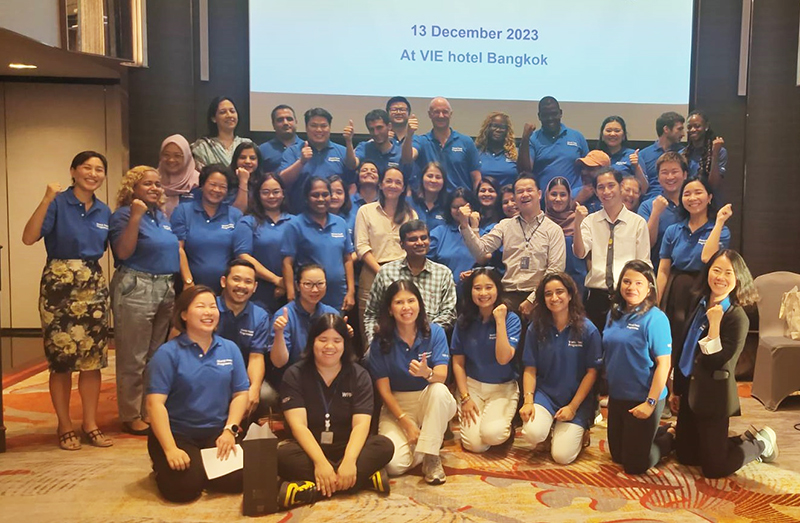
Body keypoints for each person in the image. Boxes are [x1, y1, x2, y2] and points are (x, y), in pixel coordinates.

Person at [22, 151, 113, 450]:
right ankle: (64, 424)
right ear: (73, 171)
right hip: (59, 283)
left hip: (93, 284)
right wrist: (47, 198)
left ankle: (90, 423)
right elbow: (29, 237)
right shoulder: (58, 202)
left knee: (92, 360)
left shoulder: (104, 211)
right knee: (60, 362)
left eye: (99, 169)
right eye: (87, 167)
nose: (93, 173)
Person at [672, 250, 777, 477]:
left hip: (713, 396)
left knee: (714, 468)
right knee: (686, 456)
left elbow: (716, 362)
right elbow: (684, 348)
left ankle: (760, 444)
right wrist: (677, 390)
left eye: (728, 272)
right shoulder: (697, 302)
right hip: (690, 389)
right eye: (716, 270)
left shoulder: (737, 317)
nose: (720, 277)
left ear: (738, 278)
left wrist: (715, 326)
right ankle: (737, 440)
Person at [277, 313, 394, 508]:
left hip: (347, 446)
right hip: (310, 449)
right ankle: (361, 480)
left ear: (345, 344)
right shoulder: (294, 374)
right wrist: (320, 463)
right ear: (312, 341)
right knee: (280, 456)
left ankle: (310, 490)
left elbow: (361, 425)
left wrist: (349, 461)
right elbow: (298, 426)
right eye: (322, 339)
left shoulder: (359, 375)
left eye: (336, 340)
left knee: (384, 446)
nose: (329, 346)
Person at [145, 285, 248, 503]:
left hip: (217, 432)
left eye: (213, 306)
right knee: (183, 491)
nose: (208, 312)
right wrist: (171, 449)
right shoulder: (167, 354)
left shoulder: (229, 349)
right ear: (184, 314)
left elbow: (241, 394)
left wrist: (230, 430)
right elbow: (155, 405)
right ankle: (165, 463)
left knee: (239, 480)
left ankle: (201, 467)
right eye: (200, 306)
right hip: (178, 434)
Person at [109, 165, 180, 436]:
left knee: (154, 356)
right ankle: (130, 414)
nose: (154, 188)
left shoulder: (161, 215)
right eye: (147, 184)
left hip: (164, 287)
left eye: (157, 184)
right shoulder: (124, 215)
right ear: (133, 189)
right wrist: (135, 217)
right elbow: (124, 252)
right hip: (137, 286)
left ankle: (147, 408)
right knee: (133, 357)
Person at [367, 280, 457, 484]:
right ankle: (430, 441)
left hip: (429, 400)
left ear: (419, 304)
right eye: (399, 302)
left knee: (439, 390)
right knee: (394, 466)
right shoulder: (380, 341)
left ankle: (431, 456)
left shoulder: (434, 332)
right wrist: (405, 423)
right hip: (397, 405)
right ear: (390, 309)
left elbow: (441, 376)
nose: (406, 307)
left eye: (411, 301)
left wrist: (427, 373)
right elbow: (384, 391)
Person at [458, 174, 566, 319]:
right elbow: (481, 251)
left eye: (529, 190)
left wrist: (531, 300)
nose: (525, 195)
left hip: (539, 299)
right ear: (515, 198)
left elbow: (555, 270)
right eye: (520, 192)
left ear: (539, 194)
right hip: (507, 297)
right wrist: (465, 226)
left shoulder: (553, 230)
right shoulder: (505, 226)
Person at [520, 272, 601, 464]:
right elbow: (529, 368)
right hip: (546, 395)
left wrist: (572, 407)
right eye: (548, 294)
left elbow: (592, 372)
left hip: (576, 400)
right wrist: (528, 401)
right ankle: (548, 432)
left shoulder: (588, 330)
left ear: (570, 294)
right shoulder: (536, 328)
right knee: (532, 433)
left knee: (562, 457)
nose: (554, 298)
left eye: (559, 292)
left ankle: (581, 433)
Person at [602, 260, 672, 474]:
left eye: (639, 283)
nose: (631, 287)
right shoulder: (614, 314)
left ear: (650, 287)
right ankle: (656, 432)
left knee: (635, 464)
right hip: (618, 397)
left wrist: (650, 403)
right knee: (618, 457)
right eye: (627, 281)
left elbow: (664, 364)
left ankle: (671, 438)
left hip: (645, 397)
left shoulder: (656, 318)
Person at [451, 268, 521, 453]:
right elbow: (458, 363)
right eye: (477, 288)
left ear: (497, 289)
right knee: (475, 445)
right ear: (470, 291)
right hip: (472, 387)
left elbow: (503, 358)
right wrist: (465, 397)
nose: (483, 293)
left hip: (502, 388)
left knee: (493, 435)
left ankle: (507, 426)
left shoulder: (511, 319)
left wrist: (499, 320)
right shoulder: (464, 320)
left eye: (489, 287)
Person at [573, 168, 650, 331]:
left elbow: (643, 264)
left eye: (611, 185)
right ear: (595, 191)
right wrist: (577, 224)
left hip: (627, 295)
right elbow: (579, 252)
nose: (606, 191)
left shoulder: (637, 223)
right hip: (596, 295)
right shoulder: (590, 221)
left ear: (621, 186)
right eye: (601, 187)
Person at [657, 178, 730, 347]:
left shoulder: (721, 230)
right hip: (677, 289)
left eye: (698, 192)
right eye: (687, 194)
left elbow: (707, 258)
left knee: (698, 336)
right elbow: (663, 270)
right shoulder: (673, 230)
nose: (692, 198)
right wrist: (657, 301)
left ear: (709, 197)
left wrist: (719, 222)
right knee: (674, 334)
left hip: (705, 288)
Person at [363, 220, 457, 346]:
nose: (419, 243)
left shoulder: (443, 273)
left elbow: (449, 314)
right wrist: (374, 342)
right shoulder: (386, 272)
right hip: (391, 343)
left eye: (424, 238)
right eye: (413, 239)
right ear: (402, 244)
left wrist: (423, 334)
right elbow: (371, 314)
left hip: (430, 341)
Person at [355, 167, 416, 344]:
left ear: (404, 188)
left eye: (398, 182)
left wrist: (395, 274)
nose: (393, 185)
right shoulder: (365, 211)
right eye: (388, 181)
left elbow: (414, 247)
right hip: (371, 272)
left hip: (403, 274)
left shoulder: (410, 214)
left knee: (401, 327)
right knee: (369, 330)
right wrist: (383, 272)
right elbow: (361, 247)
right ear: (380, 184)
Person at [282, 177, 355, 313]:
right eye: (315, 195)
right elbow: (287, 263)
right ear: (306, 198)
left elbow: (348, 259)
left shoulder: (340, 223)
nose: (321, 199)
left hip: (338, 296)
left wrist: (350, 292)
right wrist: (291, 294)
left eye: (325, 194)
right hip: (308, 297)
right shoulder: (295, 225)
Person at [267, 264, 339, 400]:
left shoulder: (332, 314)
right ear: (298, 285)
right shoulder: (283, 315)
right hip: (293, 379)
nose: (315, 289)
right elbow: (278, 363)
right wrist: (279, 334)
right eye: (308, 284)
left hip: (326, 377)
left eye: (320, 284)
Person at [172, 164, 243, 294]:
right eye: (212, 184)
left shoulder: (235, 215)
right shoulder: (183, 210)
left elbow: (240, 254)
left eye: (223, 187)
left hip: (226, 291)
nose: (217, 190)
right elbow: (178, 248)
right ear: (202, 185)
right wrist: (188, 282)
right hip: (190, 288)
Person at [216, 260, 271, 416]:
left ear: (254, 287)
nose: (242, 286)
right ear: (223, 282)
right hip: (209, 372)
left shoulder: (260, 316)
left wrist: (254, 388)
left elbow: (256, 357)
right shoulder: (209, 308)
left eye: (248, 282)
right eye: (236, 279)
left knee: (266, 395)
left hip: (241, 376)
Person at [233, 171, 292, 313]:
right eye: (265, 192)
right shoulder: (247, 222)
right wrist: (276, 280)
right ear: (258, 195)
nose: (271, 196)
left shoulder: (295, 222)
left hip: (291, 294)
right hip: (256, 294)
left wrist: (287, 285)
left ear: (283, 194)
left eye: (276, 192)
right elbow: (243, 256)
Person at [279, 107, 355, 213]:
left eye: (323, 126)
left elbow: (352, 183)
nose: (319, 130)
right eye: (314, 126)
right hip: (300, 218)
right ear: (306, 127)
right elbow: (282, 182)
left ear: (329, 127)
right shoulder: (293, 151)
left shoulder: (342, 151)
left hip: (334, 218)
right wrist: (301, 162)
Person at [518, 96, 589, 194]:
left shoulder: (577, 136)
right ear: (539, 116)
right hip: (545, 202)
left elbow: (589, 170)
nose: (550, 118)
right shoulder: (533, 139)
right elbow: (525, 171)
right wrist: (525, 138)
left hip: (575, 200)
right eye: (545, 115)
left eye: (554, 114)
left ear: (560, 113)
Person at [414, 97, 481, 191]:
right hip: (432, 202)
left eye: (445, 112)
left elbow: (476, 178)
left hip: (460, 202)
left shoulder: (466, 142)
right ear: (430, 114)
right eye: (436, 112)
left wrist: (475, 203)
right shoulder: (421, 141)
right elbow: (408, 158)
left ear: (450, 114)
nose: (441, 116)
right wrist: (409, 134)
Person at [638, 152, 688, 270]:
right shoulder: (647, 206)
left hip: (687, 273)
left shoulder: (693, 204)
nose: (670, 177)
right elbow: (646, 244)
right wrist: (656, 212)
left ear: (685, 175)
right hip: (656, 271)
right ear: (658, 178)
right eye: (664, 173)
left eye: (674, 172)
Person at [429, 188, 487, 286]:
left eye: (463, 206)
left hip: (476, 291)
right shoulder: (438, 233)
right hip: (444, 290)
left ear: (472, 207)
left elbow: (488, 264)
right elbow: (427, 265)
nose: (460, 211)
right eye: (455, 207)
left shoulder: (484, 234)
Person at [544, 177, 587, 296]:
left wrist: (578, 223)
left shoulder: (580, 220)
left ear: (569, 197)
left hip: (577, 286)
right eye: (553, 194)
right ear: (546, 196)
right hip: (548, 286)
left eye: (563, 194)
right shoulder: (540, 223)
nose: (558, 199)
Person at [638, 112, 685, 200]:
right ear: (666, 129)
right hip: (650, 202)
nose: (683, 134)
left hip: (677, 202)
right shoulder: (644, 155)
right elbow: (641, 188)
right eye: (679, 129)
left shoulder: (683, 153)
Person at [191, 96, 248, 168]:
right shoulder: (202, 146)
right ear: (213, 118)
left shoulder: (246, 144)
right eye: (223, 112)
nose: (229, 115)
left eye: (232, 111)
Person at [595, 116, 648, 192]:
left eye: (617, 131)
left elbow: (644, 189)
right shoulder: (595, 156)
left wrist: (636, 167)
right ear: (602, 136)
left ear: (623, 136)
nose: (612, 134)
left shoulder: (632, 155)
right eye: (608, 130)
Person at [682, 110, 727, 193]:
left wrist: (715, 155)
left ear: (706, 127)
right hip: (689, 200)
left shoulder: (719, 151)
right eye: (689, 127)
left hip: (711, 201)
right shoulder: (682, 153)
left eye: (697, 126)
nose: (692, 130)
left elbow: (713, 185)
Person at [352, 109, 407, 173]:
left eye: (379, 128)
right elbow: (352, 165)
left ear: (389, 126)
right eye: (371, 129)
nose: (376, 133)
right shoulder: (364, 148)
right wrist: (348, 141)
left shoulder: (400, 152)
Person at [157, 134, 198, 216]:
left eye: (177, 156)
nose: (171, 160)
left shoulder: (198, 182)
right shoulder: (154, 181)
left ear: (187, 157)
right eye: (166, 155)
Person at [475, 112, 518, 186]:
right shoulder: (476, 152)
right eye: (495, 126)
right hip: (484, 195)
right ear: (487, 128)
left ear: (507, 131)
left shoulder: (516, 153)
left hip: (508, 196)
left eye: (502, 127)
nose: (498, 130)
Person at [259, 104, 304, 173]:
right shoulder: (262, 150)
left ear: (296, 122)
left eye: (289, 119)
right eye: (280, 120)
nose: (285, 123)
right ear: (273, 125)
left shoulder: (306, 147)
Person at [410, 161, 448, 232]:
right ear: (422, 178)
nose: (433, 180)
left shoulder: (448, 207)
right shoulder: (409, 203)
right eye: (430, 176)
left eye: (438, 177)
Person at [226, 141, 264, 212]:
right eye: (242, 157)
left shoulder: (263, 181)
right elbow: (238, 212)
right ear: (235, 160)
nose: (247, 161)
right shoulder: (226, 180)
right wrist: (243, 181)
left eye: (252, 158)